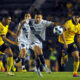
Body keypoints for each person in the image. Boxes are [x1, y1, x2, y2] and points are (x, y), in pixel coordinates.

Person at [25, 10, 54, 77]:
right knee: (39, 51)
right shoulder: (30, 21)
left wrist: (62, 26)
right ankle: (45, 67)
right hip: (31, 41)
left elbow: (53, 23)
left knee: (37, 56)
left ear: (41, 17)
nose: (37, 19)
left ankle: (37, 70)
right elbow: (23, 22)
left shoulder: (44, 22)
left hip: (39, 42)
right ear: (34, 17)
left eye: (39, 17)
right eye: (36, 17)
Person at [58, 12, 80, 77]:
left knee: (77, 57)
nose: (76, 19)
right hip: (63, 42)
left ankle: (75, 73)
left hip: (72, 42)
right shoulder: (68, 23)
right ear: (73, 17)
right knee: (65, 61)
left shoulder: (79, 26)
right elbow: (62, 32)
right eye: (75, 17)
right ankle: (63, 58)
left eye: (78, 17)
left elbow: (78, 37)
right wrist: (65, 43)